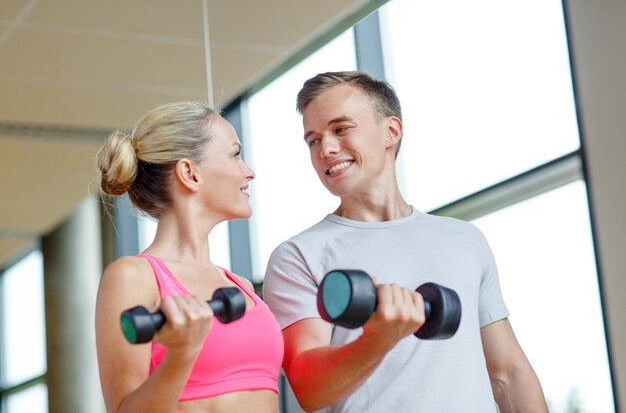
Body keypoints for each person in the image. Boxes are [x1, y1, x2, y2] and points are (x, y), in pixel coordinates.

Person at [263, 71, 548, 412]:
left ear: (391, 131)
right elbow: (309, 390)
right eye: (313, 140)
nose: (326, 148)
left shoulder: (463, 239)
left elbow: (508, 373)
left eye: (341, 129)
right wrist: (378, 339)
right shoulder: (299, 255)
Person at [95, 101, 283, 412]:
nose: (248, 172)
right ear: (189, 173)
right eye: (236, 155)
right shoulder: (133, 277)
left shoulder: (241, 285)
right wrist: (181, 354)